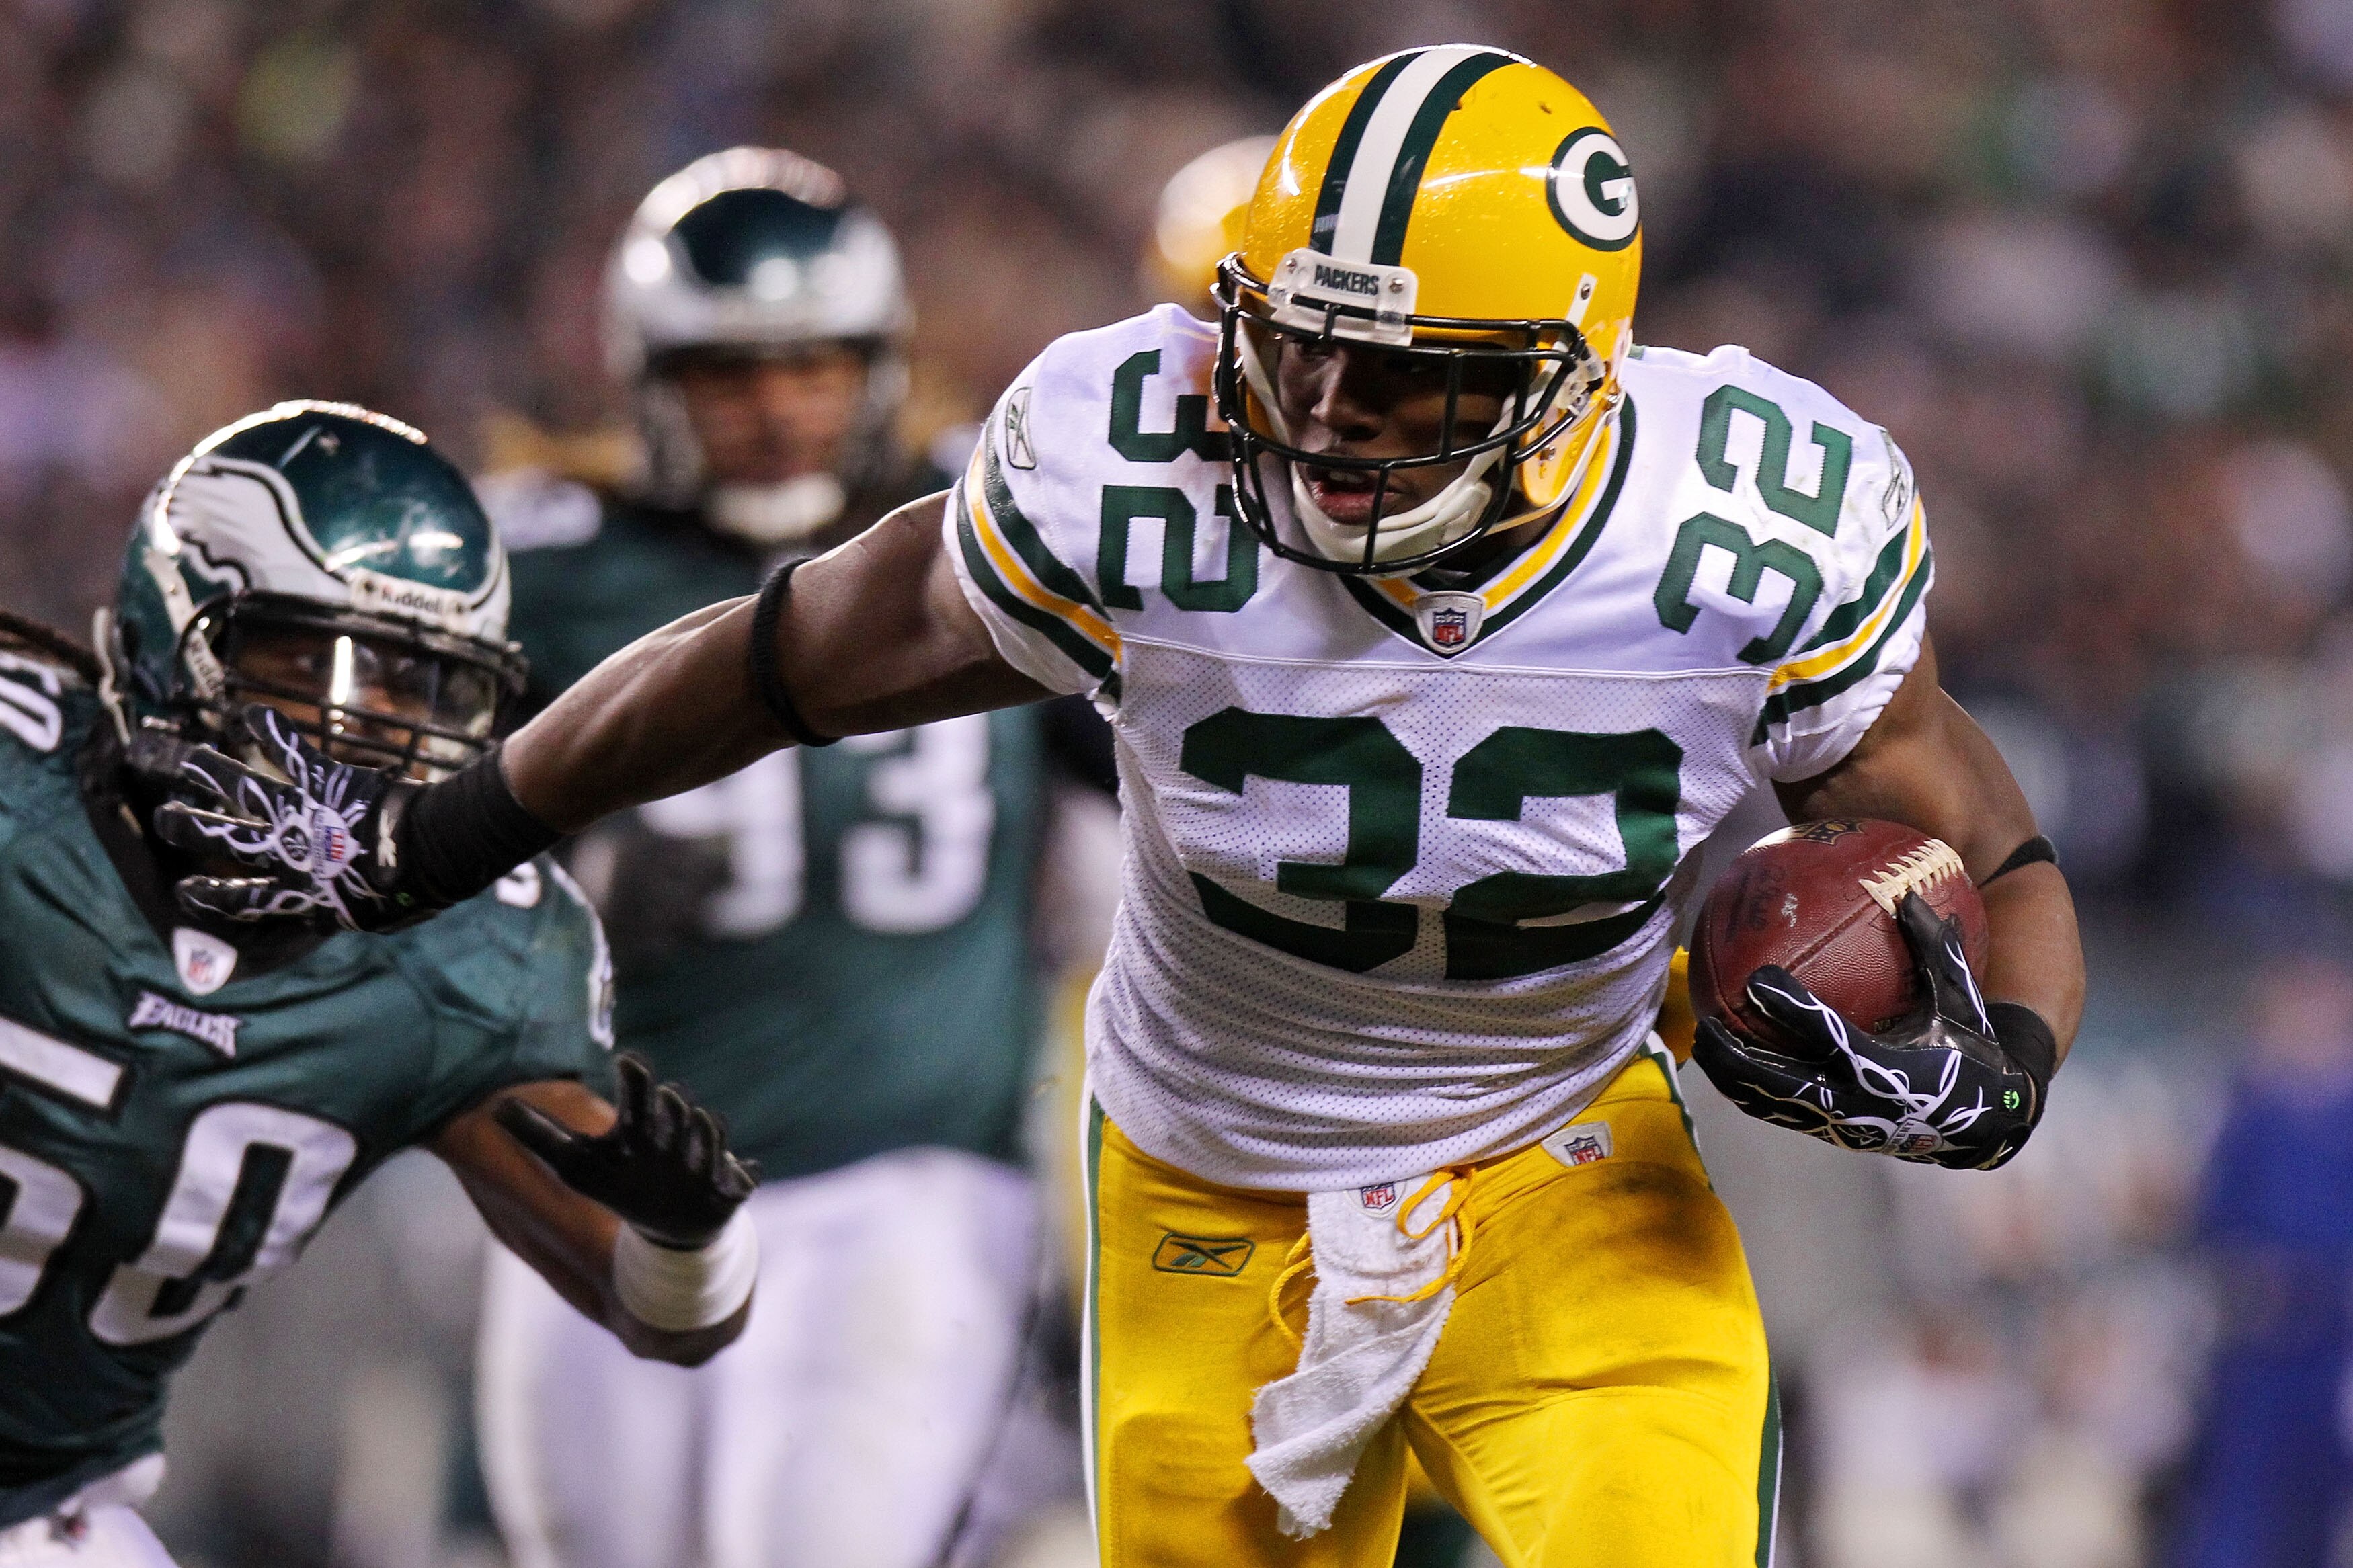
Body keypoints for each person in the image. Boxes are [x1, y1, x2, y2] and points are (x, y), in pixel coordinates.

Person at [143, 48, 2086, 1567]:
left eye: (1398, 386)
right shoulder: (1132, 466)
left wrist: (2003, 1053)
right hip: (1206, 1182)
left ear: (1565, 392)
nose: (1320, 417)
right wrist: (453, 827)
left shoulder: (1744, 526)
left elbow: (1980, 833)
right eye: (1298, 345)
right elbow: (764, 662)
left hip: (1558, 1151)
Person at [471, 148, 1099, 1568]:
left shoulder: (982, 532)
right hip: (608, 1163)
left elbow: (1145, 780)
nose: (776, 410)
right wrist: (559, 883)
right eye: (730, 374)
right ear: (647, 379)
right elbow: (424, 855)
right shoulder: (555, 566)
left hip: (906, 1168)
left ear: (876, 364)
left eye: (813, 367)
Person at [0, 402, 756, 1567]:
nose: (359, 740)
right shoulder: (19, 789)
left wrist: (692, 1241)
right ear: (173, 636)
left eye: (420, 692)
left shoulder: (469, 958)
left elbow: (666, 1311)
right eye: (312, 666)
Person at [2169, 953, 2353, 1568]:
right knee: (2240, 1503)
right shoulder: (2250, 1108)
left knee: (2319, 1503)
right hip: (2263, 1338)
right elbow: (2213, 1218)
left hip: (2334, 1338)